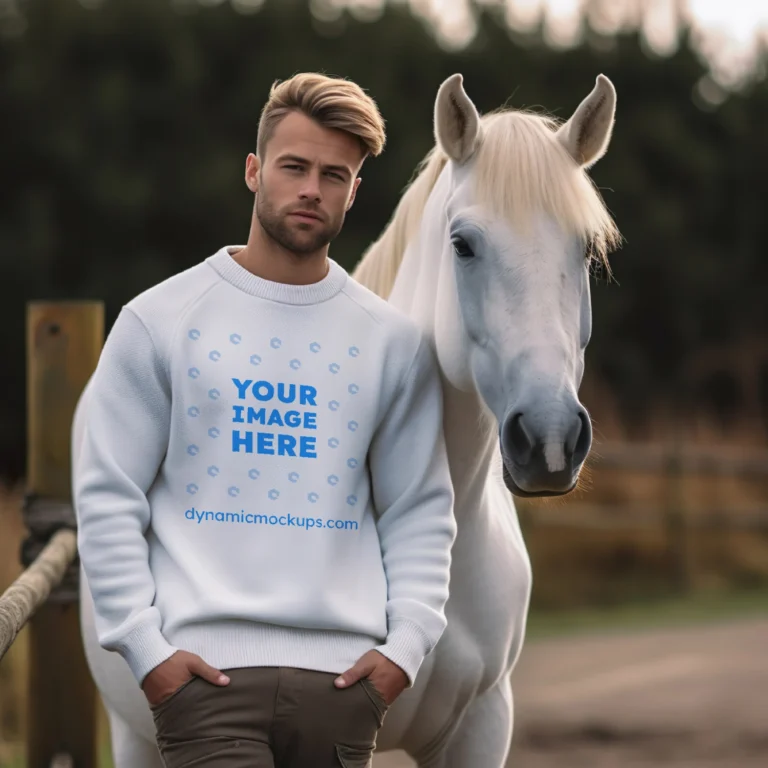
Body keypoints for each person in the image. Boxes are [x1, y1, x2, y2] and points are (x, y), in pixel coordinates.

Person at [74, 72, 457, 767]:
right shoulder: (159, 322)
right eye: (294, 167)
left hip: (343, 688)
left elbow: (419, 511)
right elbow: (107, 494)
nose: (312, 188)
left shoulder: (391, 344)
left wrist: (405, 649)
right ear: (254, 171)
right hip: (203, 683)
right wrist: (144, 645)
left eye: (334, 175)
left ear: (354, 191)